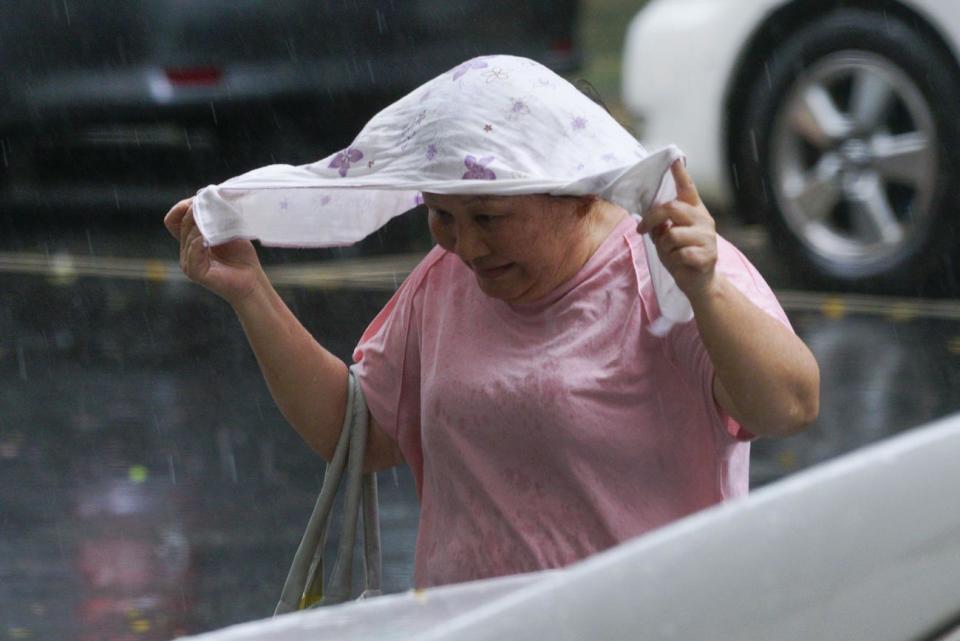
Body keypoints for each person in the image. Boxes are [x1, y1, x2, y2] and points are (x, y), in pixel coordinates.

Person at [164, 55, 819, 589]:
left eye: (489, 217)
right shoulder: (443, 284)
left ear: (577, 191)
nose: (467, 246)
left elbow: (789, 403)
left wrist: (703, 287)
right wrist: (251, 293)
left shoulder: (670, 268)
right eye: (443, 215)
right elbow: (359, 434)